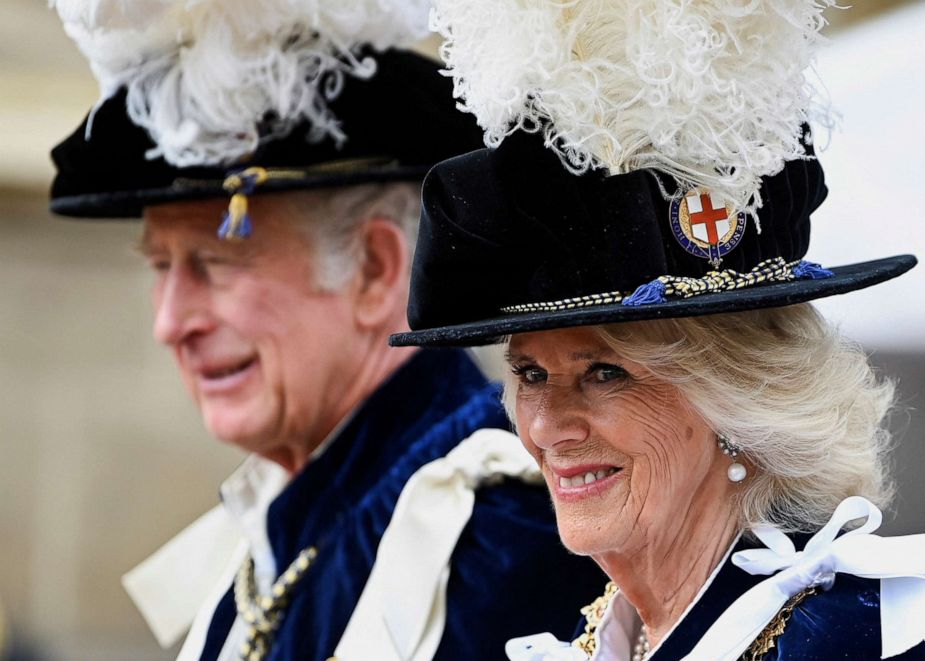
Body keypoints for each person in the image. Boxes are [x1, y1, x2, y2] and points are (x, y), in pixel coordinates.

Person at [389, 1, 925, 658]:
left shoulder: (850, 638)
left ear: (740, 399)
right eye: (530, 373)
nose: (549, 428)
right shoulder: (611, 634)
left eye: (604, 373)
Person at [48, 3, 604, 659]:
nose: (171, 323)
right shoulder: (288, 525)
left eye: (215, 264)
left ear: (374, 269)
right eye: (162, 266)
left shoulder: (494, 528)